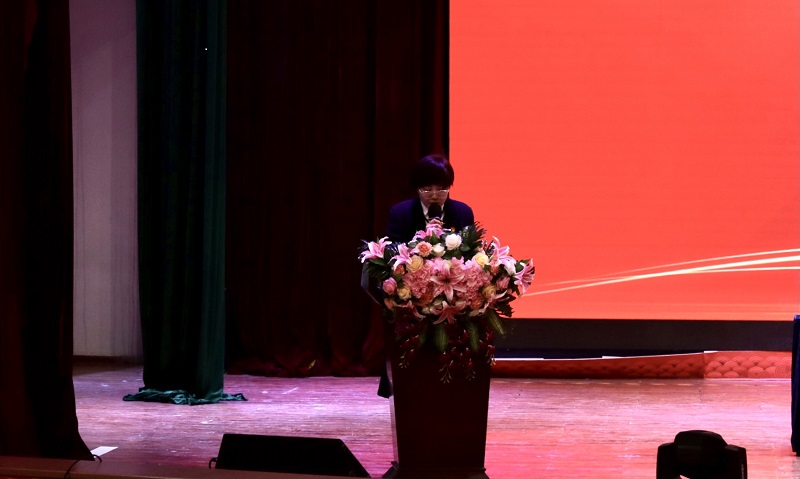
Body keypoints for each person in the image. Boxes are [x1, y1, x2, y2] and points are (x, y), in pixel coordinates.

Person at [377, 153, 475, 398]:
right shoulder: (401, 213)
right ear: (417, 187)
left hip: (452, 300)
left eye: (441, 189)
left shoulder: (462, 212)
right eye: (427, 189)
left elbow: (472, 254)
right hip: (412, 298)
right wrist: (421, 243)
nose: (434, 195)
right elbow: (391, 253)